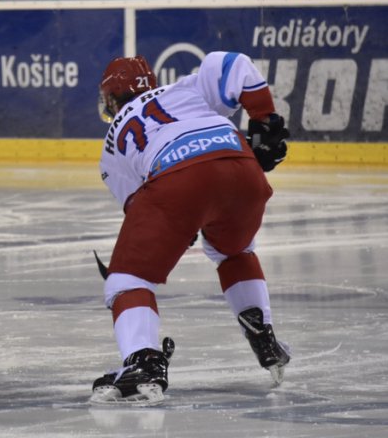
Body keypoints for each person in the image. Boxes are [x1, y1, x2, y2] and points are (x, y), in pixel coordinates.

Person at [91, 52, 291, 405]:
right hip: (242, 167)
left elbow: (140, 206)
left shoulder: (111, 147)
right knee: (235, 251)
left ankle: (143, 362)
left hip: (176, 178)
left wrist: (179, 230)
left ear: (111, 98)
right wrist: (263, 121)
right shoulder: (183, 89)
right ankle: (262, 331)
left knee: (128, 279)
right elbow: (234, 64)